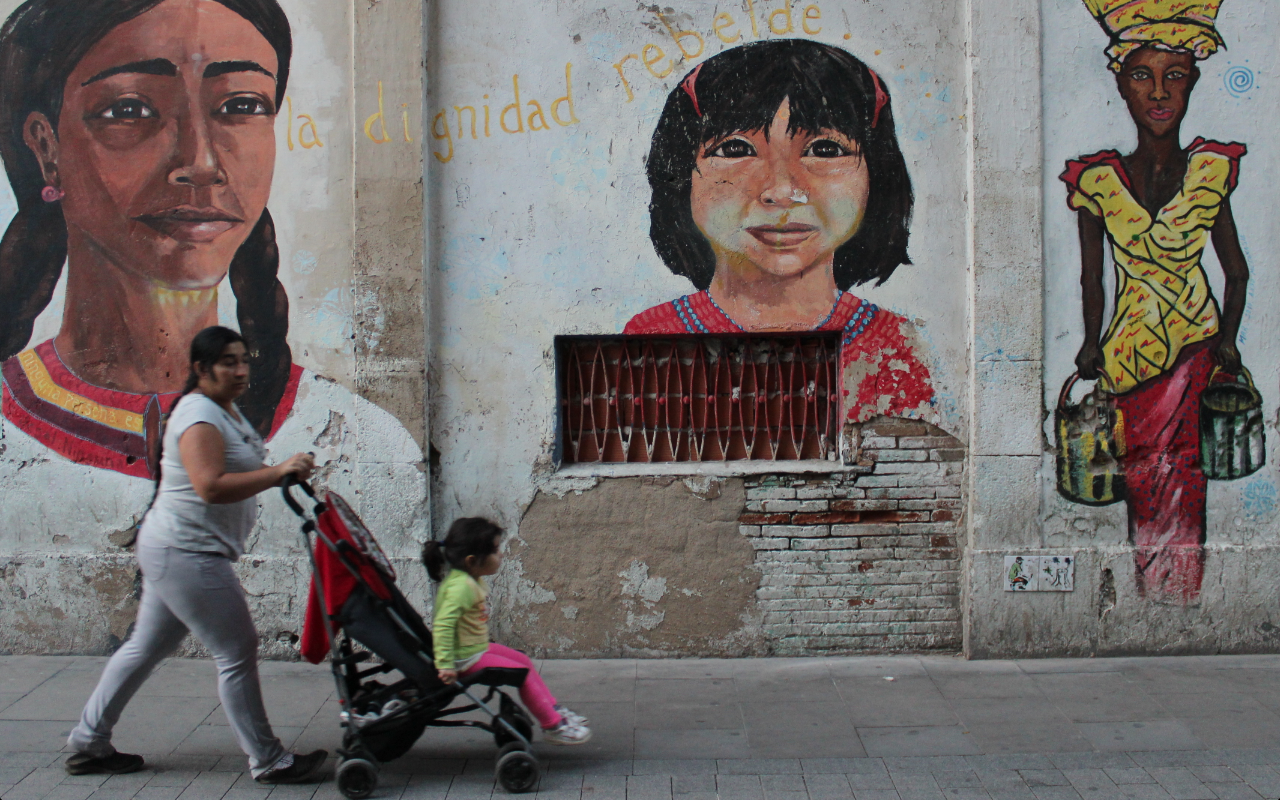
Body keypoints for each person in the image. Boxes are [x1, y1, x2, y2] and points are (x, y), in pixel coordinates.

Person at [0, 0, 423, 596]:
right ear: (47, 148)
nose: (200, 162)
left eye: (241, 106)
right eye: (130, 109)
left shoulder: (360, 441)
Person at [625, 39, 934, 424]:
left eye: (824, 150)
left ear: (877, 176)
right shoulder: (651, 338)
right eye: (735, 149)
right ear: (681, 177)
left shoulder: (897, 351)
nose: (783, 191)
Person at [67, 326, 327, 782]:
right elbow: (210, 486)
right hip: (186, 551)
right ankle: (268, 759)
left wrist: (281, 471)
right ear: (202, 369)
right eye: (229, 362)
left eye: (243, 360)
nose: (241, 370)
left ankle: (88, 743)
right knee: (237, 650)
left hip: (178, 548)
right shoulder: (199, 415)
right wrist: (276, 472)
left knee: (146, 647)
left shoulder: (224, 409)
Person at [1061, 0, 1250, 601]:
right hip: (1129, 355)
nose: (1160, 92)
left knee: (1185, 470)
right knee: (1141, 471)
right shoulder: (1097, 182)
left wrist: (1227, 341)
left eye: (1176, 76)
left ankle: (1178, 590)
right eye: (1142, 75)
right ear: (1121, 84)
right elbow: (1092, 280)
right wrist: (1090, 344)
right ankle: (1158, 589)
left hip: (1196, 348)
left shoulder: (1210, 172)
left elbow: (1237, 272)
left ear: (1192, 83)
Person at [423, 518, 592, 746]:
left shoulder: (469, 579)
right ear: (472, 561)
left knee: (524, 661)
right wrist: (445, 664)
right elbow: (443, 626)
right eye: (494, 550)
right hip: (465, 658)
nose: (501, 554)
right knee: (522, 673)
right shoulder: (460, 587)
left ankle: (553, 708)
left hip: (475, 649)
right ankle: (553, 725)